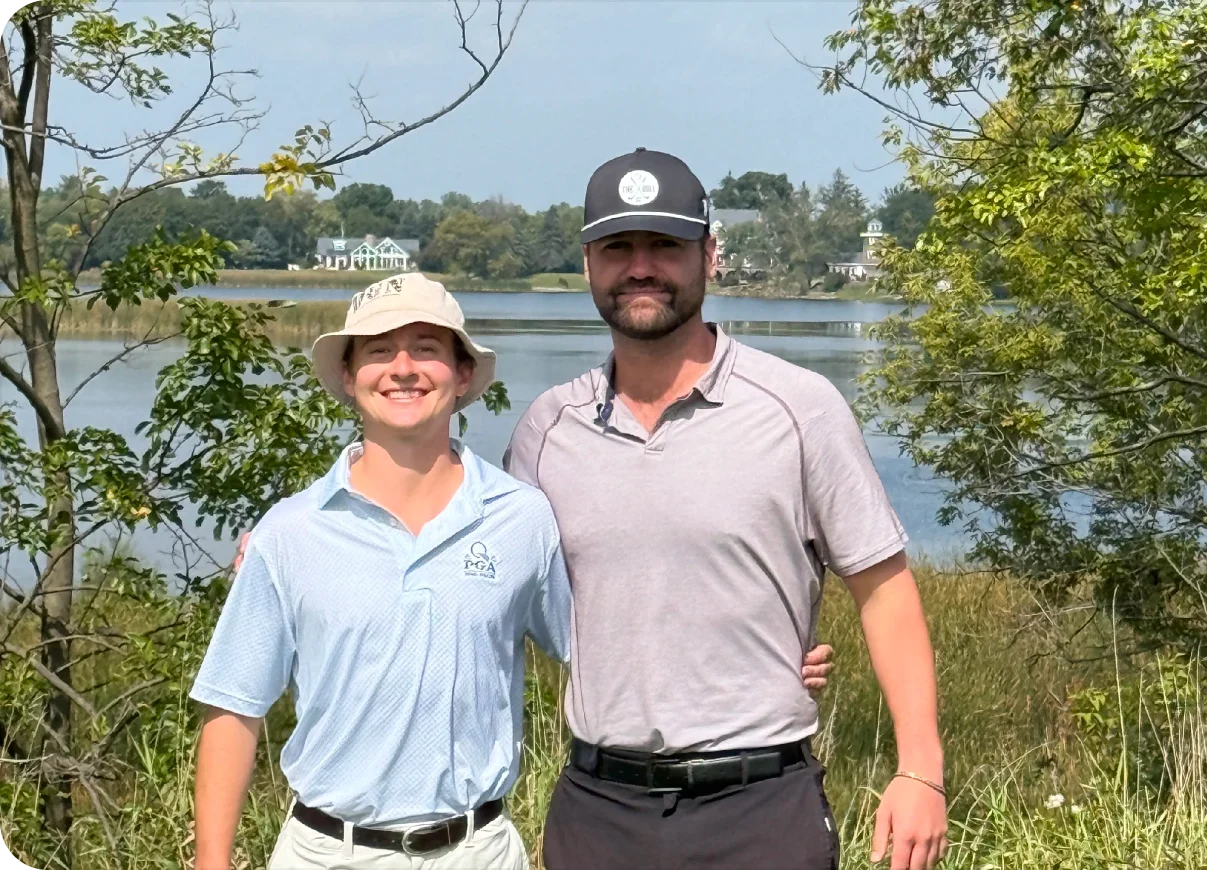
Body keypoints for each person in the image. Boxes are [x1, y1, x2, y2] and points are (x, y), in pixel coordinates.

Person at [502, 148, 949, 870]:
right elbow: (492, 593)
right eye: (618, 247)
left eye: (665, 245)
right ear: (587, 263)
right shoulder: (546, 430)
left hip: (759, 809)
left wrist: (920, 769)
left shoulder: (799, 409)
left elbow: (885, 589)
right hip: (598, 809)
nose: (641, 267)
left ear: (709, 255)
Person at [190, 274, 569, 870]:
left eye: (426, 347)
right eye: (378, 350)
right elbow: (233, 707)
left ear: (462, 373)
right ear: (348, 376)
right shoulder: (289, 532)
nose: (403, 368)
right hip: (326, 853)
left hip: (477, 851)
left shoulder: (522, 518)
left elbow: (591, 657)